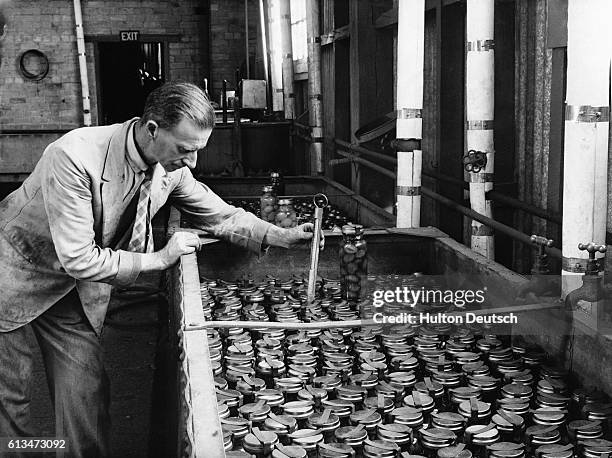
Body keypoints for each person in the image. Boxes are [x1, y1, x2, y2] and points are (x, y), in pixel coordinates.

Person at [0, 81, 323, 457]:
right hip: (16, 274)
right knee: (11, 402)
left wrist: (280, 235)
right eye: (186, 149)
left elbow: (220, 215)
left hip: (72, 287)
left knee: (84, 392)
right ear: (152, 128)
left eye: (198, 151)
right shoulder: (73, 156)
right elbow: (79, 257)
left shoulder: (170, 167)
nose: (192, 163)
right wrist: (160, 258)